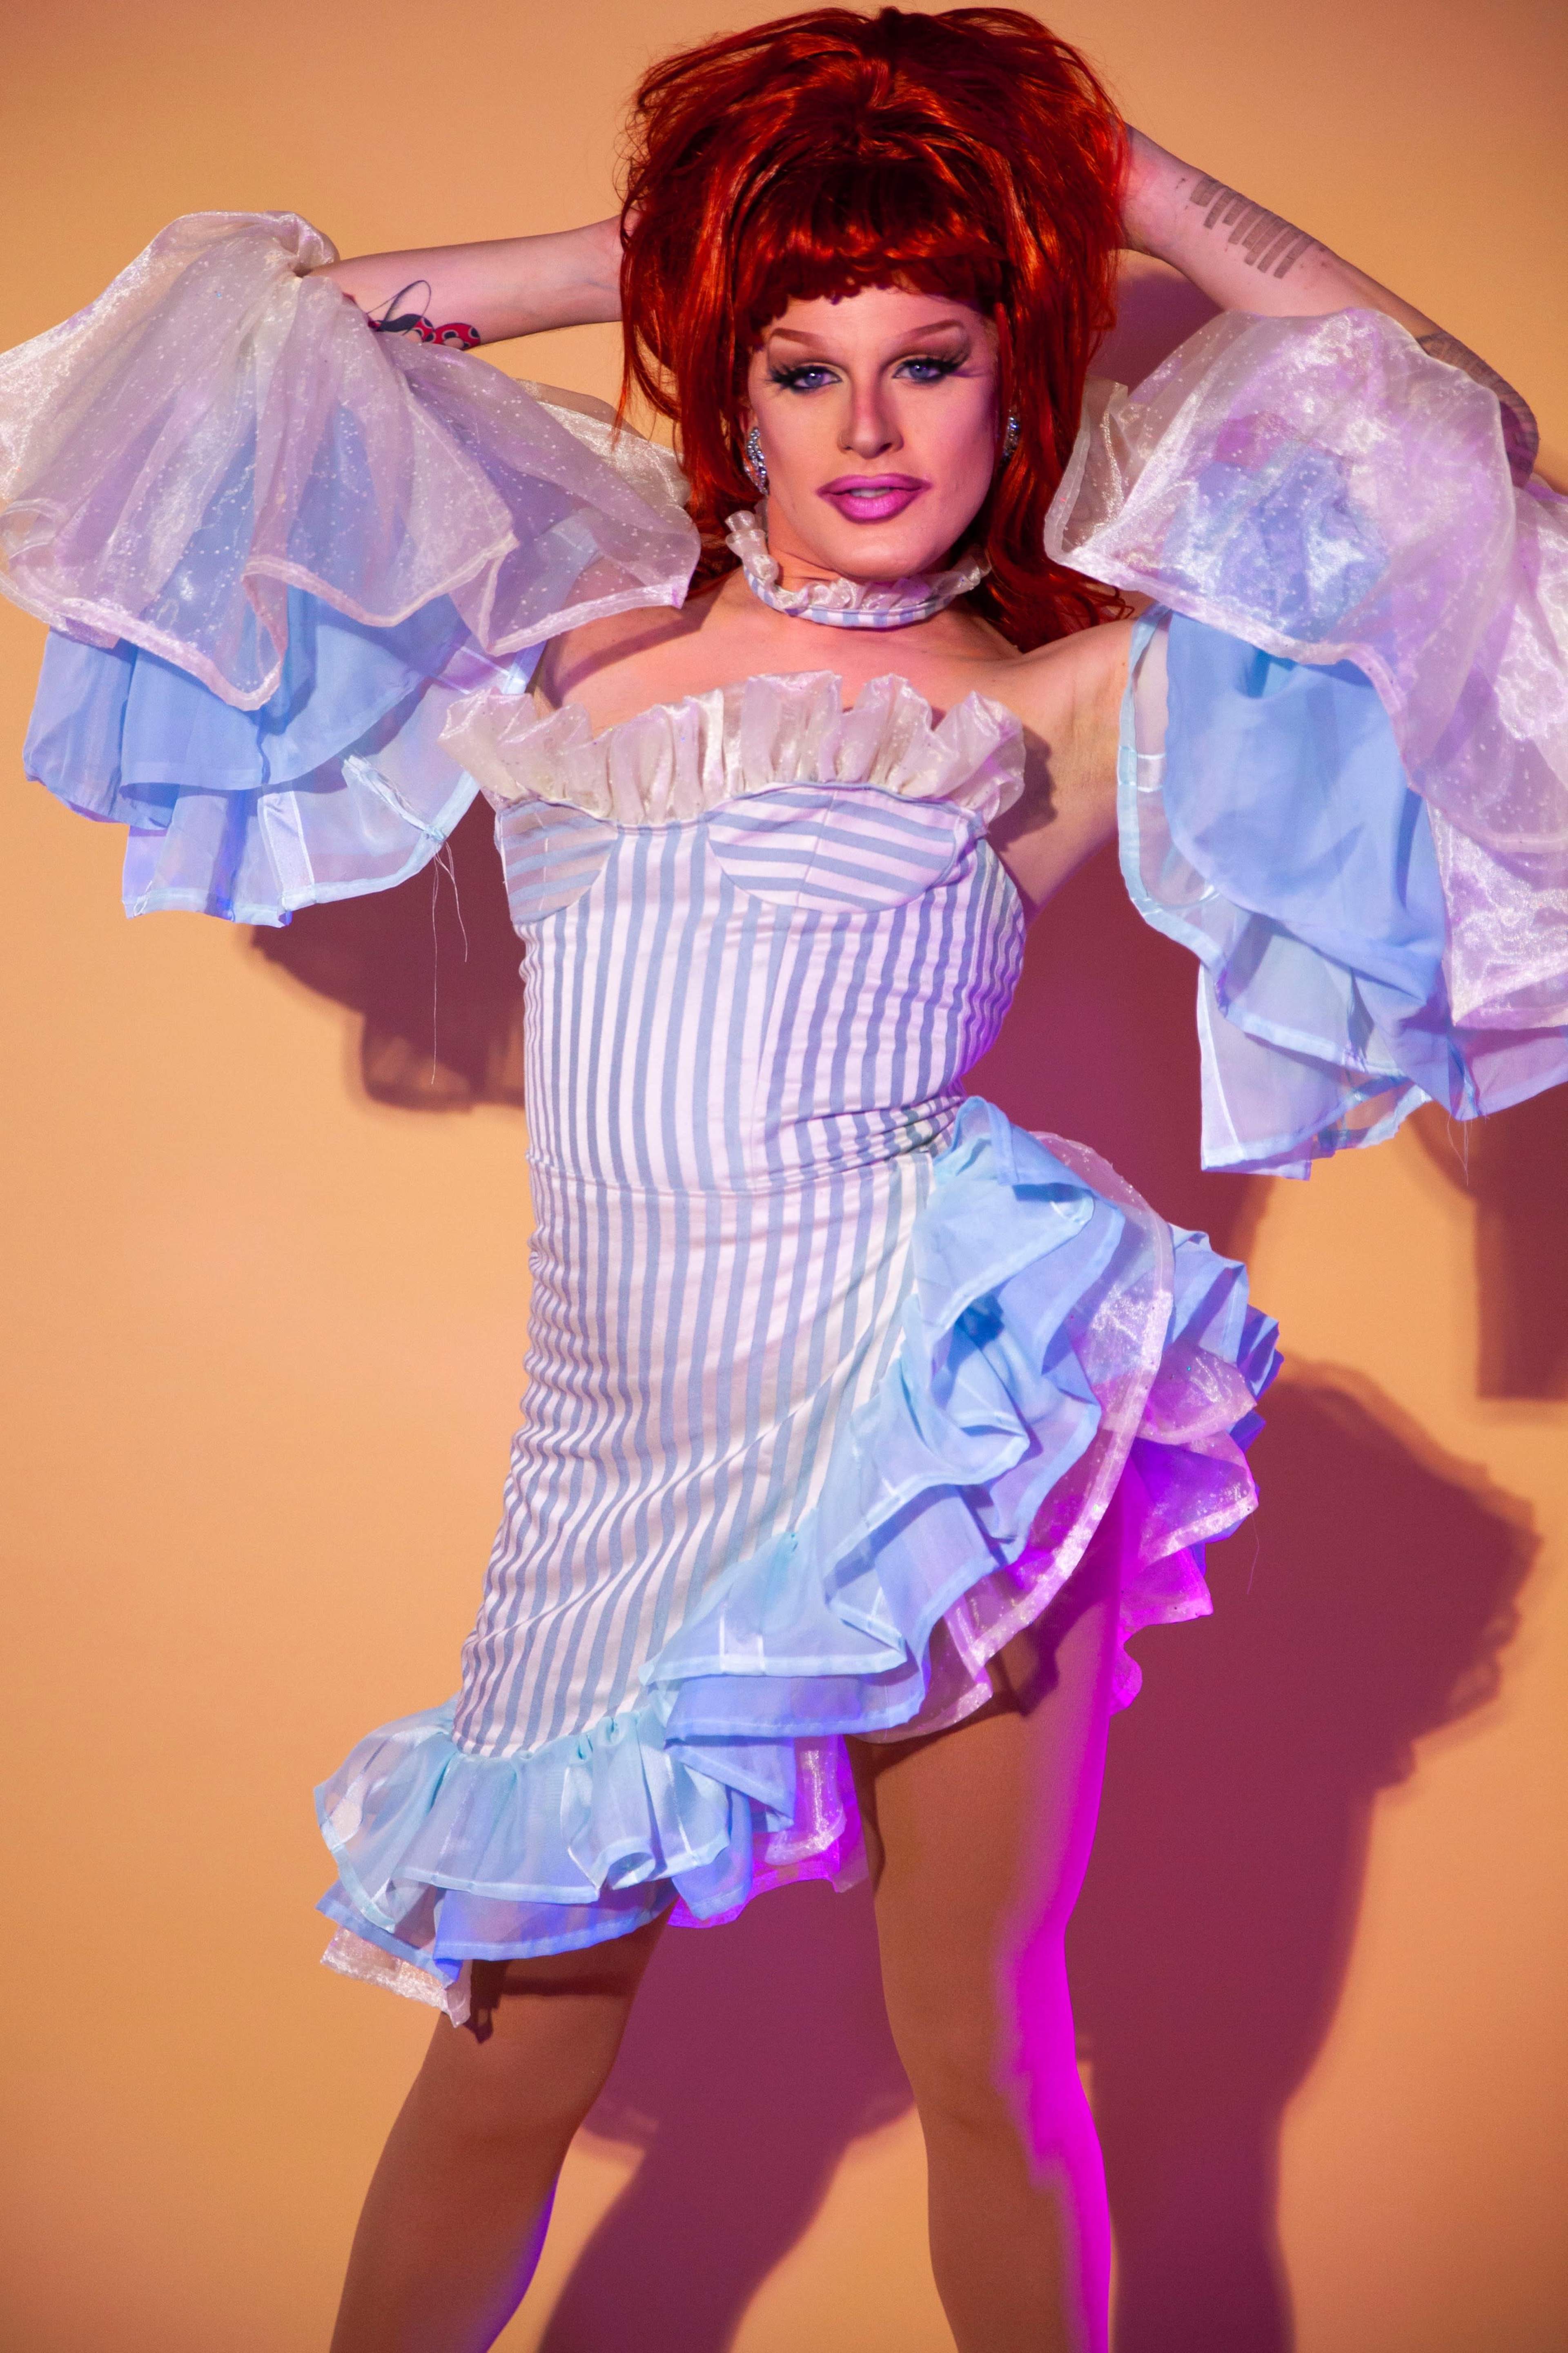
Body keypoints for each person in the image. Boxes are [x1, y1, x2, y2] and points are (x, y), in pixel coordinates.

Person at [2, 9, 1563, 2348]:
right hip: (609, 1468)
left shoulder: (1053, 711)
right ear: (724, 387)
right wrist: (699, 239)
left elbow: (1444, 441)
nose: (866, 428)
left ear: (1011, 382)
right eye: (802, 365)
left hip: (938, 1408)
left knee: (984, 2059)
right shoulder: (575, 626)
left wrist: (1107, 188)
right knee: (502, 2077)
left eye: (928, 360)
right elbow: (250, 360)